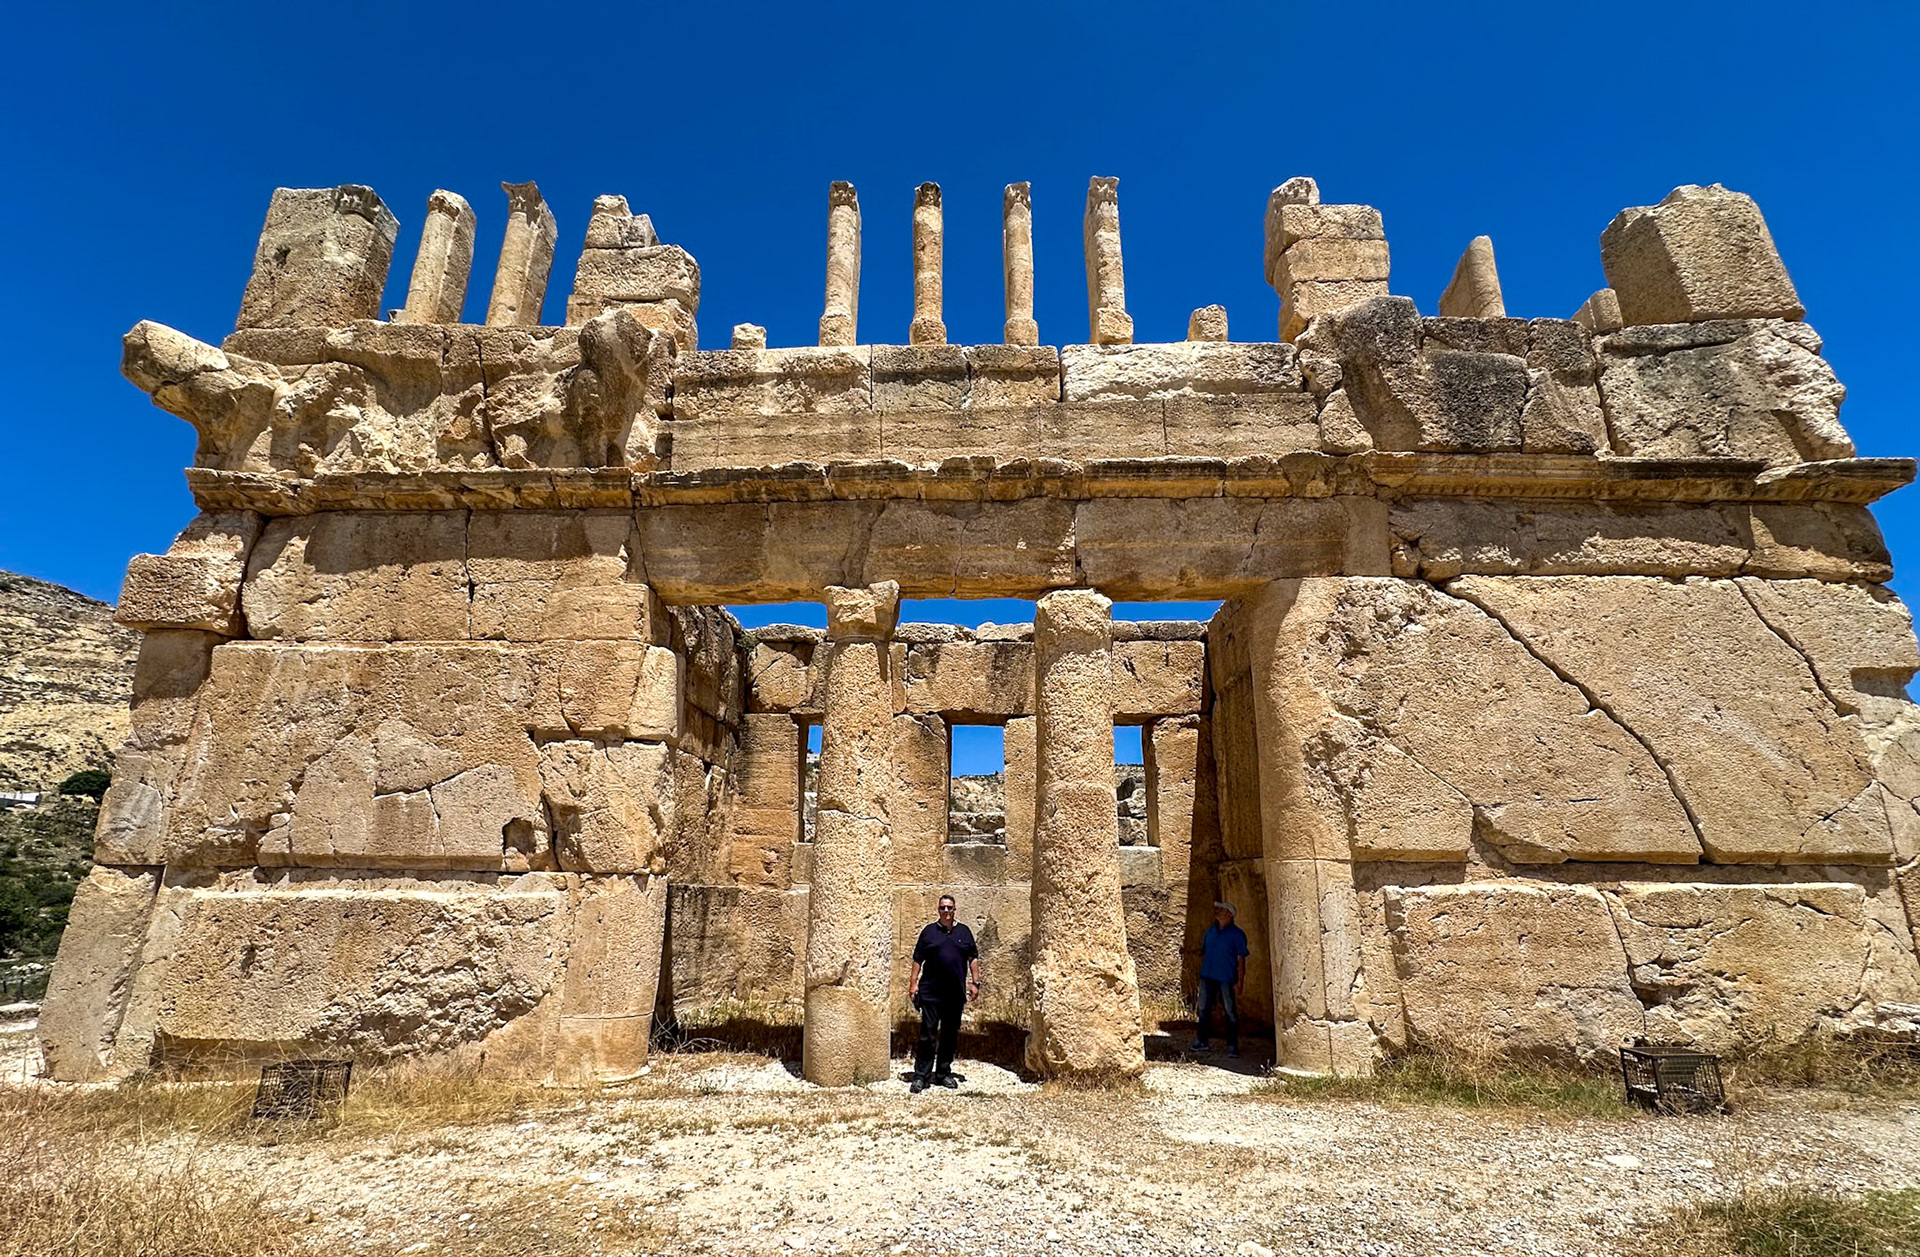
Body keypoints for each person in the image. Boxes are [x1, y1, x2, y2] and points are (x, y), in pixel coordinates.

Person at [906, 893, 979, 1093]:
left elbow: (973, 957)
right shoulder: (929, 932)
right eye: (942, 907)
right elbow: (917, 959)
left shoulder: (964, 932)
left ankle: (943, 1073)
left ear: (954, 910)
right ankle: (921, 1076)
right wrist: (913, 984)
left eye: (949, 907)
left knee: (949, 1035)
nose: (946, 911)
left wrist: (975, 983)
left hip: (954, 994)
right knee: (927, 1034)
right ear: (938, 910)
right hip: (931, 992)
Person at [1191, 900, 1249, 1058]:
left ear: (1229, 914)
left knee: (1230, 1012)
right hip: (1207, 976)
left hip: (1226, 977)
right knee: (1204, 1009)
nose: (1217, 911)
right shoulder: (1211, 931)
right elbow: (1204, 951)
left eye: (1221, 909)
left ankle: (1232, 1046)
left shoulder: (1237, 934)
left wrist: (1240, 982)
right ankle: (1202, 1041)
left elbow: (1241, 961)